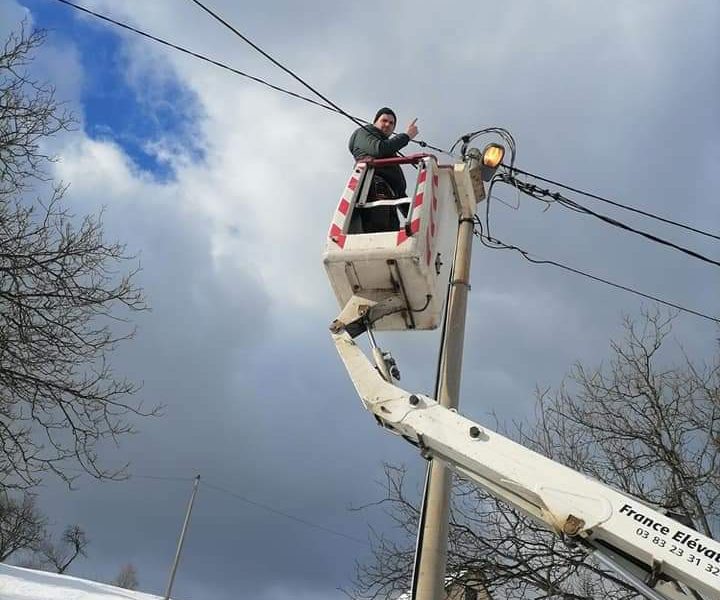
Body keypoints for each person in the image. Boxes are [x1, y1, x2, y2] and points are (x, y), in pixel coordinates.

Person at [348, 107, 419, 198]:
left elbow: (400, 192)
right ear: (375, 122)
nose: (387, 124)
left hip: (389, 197)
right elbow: (379, 149)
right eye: (384, 120)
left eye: (391, 123)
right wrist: (406, 136)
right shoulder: (363, 132)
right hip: (372, 190)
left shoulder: (389, 150)